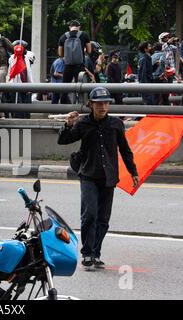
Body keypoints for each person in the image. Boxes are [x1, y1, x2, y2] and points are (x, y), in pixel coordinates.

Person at [58, 87, 139, 270]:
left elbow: (125, 150)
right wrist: (68, 124)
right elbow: (63, 140)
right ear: (91, 105)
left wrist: (133, 171)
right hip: (88, 175)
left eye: (106, 103)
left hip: (109, 178)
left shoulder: (116, 124)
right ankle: (87, 253)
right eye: (99, 103)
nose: (103, 106)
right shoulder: (83, 123)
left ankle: (96, 253)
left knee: (103, 219)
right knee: (90, 215)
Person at [58, 20, 92, 104]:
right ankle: (81, 108)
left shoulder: (63, 37)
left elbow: (60, 54)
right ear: (79, 27)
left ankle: (62, 109)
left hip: (68, 66)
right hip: (80, 66)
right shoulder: (84, 35)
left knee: (64, 89)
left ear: (69, 27)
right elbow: (89, 51)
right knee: (82, 88)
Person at [8, 41, 33, 119]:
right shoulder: (13, 58)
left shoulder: (26, 58)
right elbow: (13, 70)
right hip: (16, 85)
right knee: (18, 108)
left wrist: (31, 85)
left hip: (26, 86)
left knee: (27, 108)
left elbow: (29, 73)